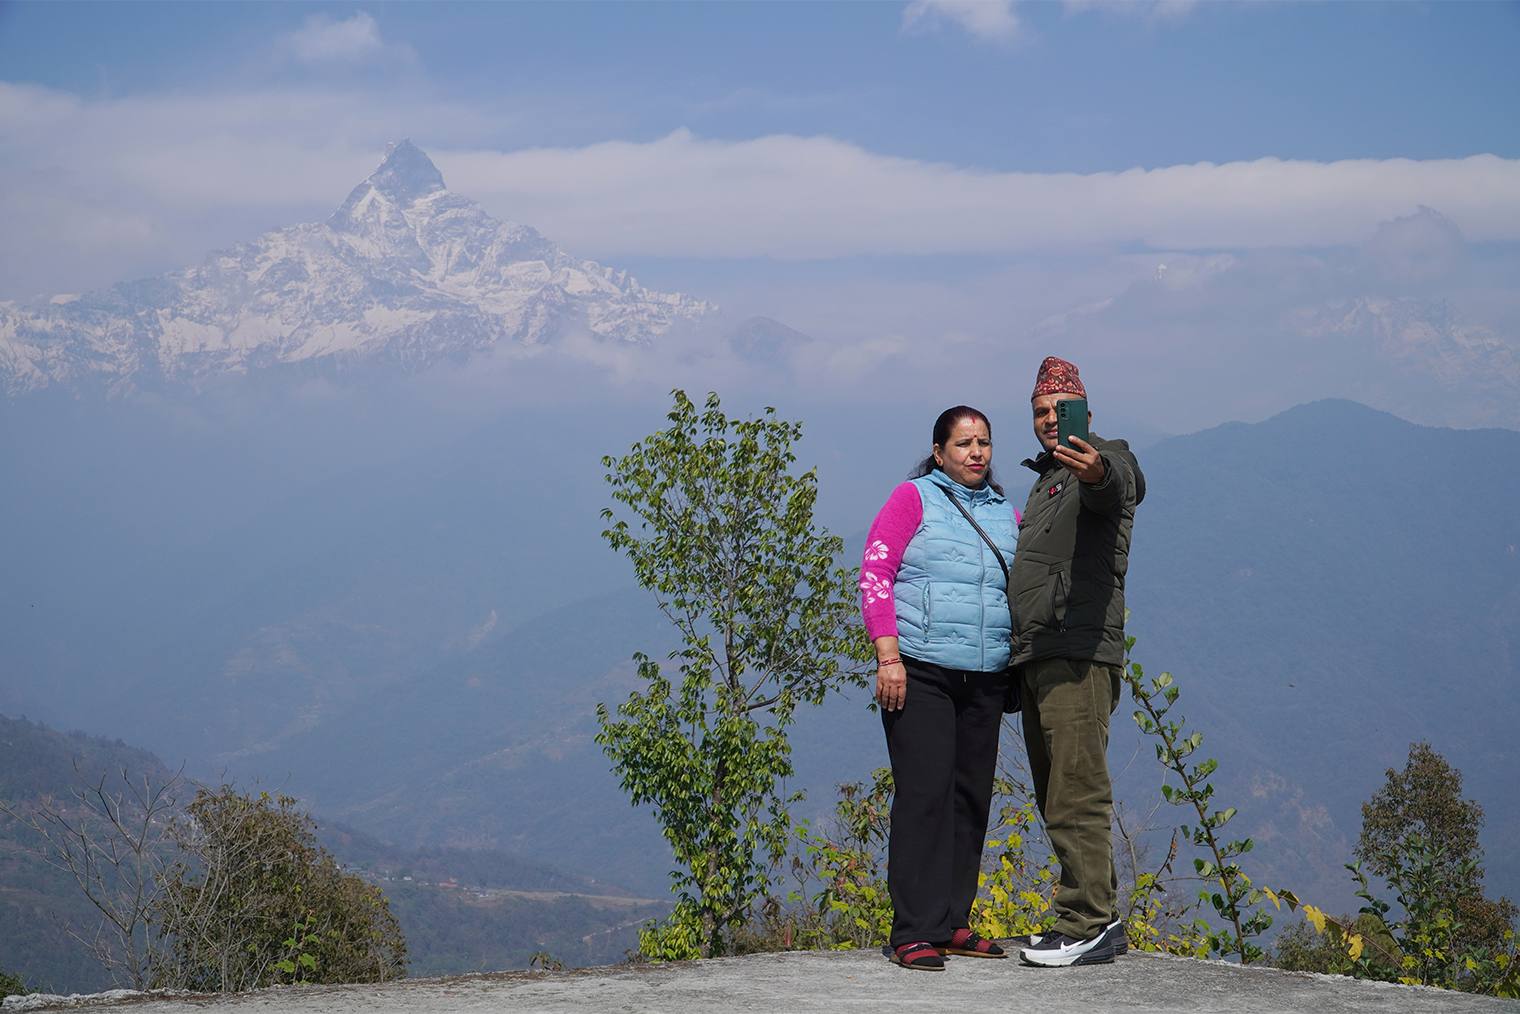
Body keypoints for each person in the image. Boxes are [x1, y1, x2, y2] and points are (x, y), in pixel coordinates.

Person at [859, 406, 1020, 970]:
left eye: (983, 442)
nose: (975, 453)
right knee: (924, 795)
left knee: (970, 798)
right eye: (962, 444)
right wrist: (888, 655)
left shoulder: (1006, 513)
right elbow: (876, 572)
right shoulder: (913, 498)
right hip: (921, 669)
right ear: (939, 452)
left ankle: (952, 922)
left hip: (986, 675)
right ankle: (913, 929)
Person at [1010, 357, 1145, 967]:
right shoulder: (1045, 481)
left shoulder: (1103, 457)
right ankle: (1092, 917)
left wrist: (1096, 467)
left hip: (1079, 651)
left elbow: (1117, 481)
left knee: (1077, 789)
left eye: (1059, 410)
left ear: (1084, 413)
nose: (1047, 421)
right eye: (1039, 412)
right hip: (1041, 652)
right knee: (1053, 790)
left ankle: (1086, 921)